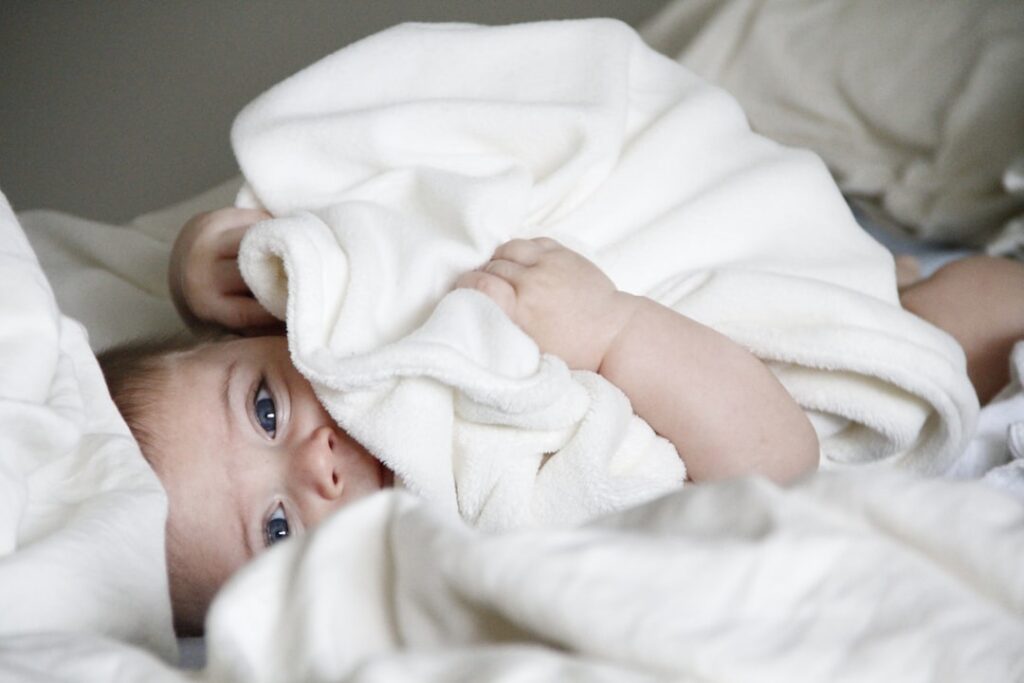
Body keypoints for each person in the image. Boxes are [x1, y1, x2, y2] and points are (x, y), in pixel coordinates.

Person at [101, 207, 1024, 634]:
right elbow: (777, 468)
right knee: (958, 321)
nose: (316, 468)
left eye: (264, 407)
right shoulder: (484, 525)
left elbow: (335, 223)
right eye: (276, 526)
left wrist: (209, 259)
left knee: (889, 277)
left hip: (729, 262)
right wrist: (613, 330)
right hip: (761, 380)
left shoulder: (366, 326)